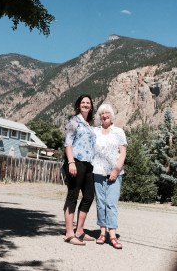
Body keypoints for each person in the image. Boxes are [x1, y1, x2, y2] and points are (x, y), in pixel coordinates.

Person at [93, 103, 127, 249]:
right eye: (102, 113)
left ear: (111, 115)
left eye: (107, 113)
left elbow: (123, 153)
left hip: (115, 173)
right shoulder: (95, 132)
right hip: (98, 172)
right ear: (99, 116)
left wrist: (116, 170)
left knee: (111, 204)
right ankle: (102, 233)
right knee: (100, 203)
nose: (105, 115)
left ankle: (112, 235)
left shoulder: (119, 132)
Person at [63, 94, 96, 246]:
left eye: (88, 102)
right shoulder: (74, 121)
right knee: (73, 196)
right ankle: (69, 234)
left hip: (89, 164)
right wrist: (71, 162)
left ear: (91, 106)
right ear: (78, 105)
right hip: (76, 161)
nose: (85, 104)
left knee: (89, 196)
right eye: (83, 102)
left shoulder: (89, 124)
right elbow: (68, 143)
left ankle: (80, 231)